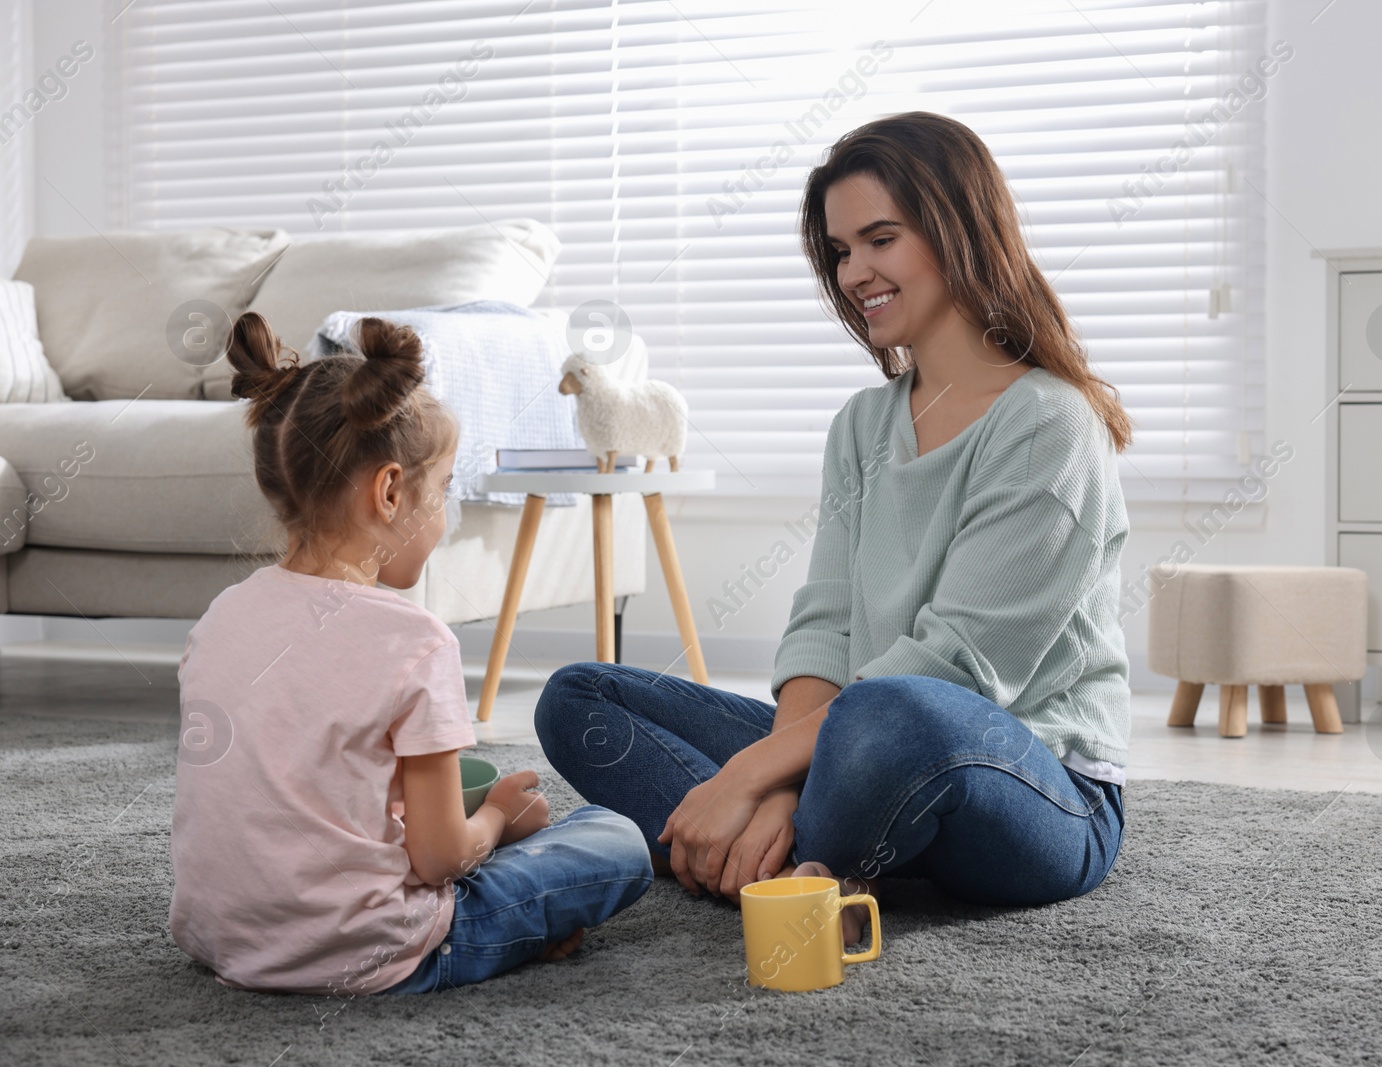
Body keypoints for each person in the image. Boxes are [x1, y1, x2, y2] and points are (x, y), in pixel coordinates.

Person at [535, 110, 1134, 943]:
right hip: (856, 748)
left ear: (959, 230)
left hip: (1034, 785)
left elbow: (958, 669)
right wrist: (774, 785)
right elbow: (825, 627)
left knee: (891, 713)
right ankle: (803, 857)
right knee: (579, 698)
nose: (855, 272)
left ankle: (769, 854)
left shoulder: (1050, 423)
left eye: (880, 239)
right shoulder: (860, 425)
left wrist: (746, 771)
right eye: (841, 250)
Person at [169, 312, 652, 998]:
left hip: (226, 939)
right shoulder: (416, 640)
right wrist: (495, 820)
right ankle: (515, 931)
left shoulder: (218, 619)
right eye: (445, 488)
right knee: (612, 838)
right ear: (391, 491)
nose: (446, 513)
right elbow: (439, 857)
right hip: (369, 950)